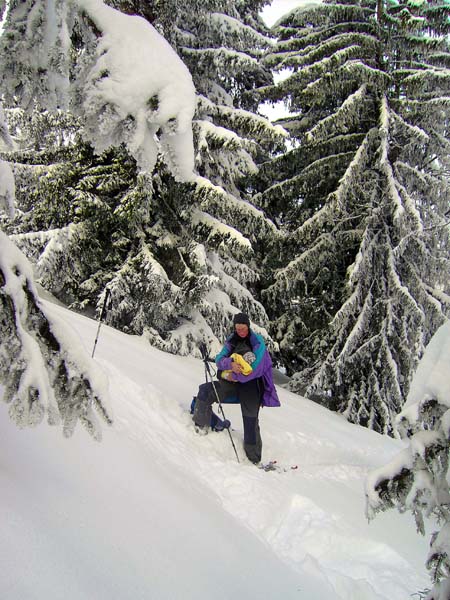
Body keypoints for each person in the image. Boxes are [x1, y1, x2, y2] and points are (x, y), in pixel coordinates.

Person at [192, 313, 280, 464]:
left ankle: (254, 460)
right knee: (205, 391)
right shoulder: (232, 340)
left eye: (243, 328)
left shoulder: (257, 342)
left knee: (250, 421)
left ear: (248, 326)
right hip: (233, 384)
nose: (240, 331)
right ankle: (200, 432)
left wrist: (229, 375)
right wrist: (229, 366)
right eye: (238, 328)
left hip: (253, 387)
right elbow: (220, 359)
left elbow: (254, 370)